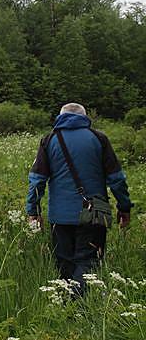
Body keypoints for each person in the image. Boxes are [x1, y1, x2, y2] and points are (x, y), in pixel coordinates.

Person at [26, 103, 133, 295]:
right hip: (95, 211)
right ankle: (80, 310)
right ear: (84, 118)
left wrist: (33, 211)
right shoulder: (99, 138)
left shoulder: (50, 139)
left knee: (64, 263)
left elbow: (37, 180)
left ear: (60, 117)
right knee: (89, 261)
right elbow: (116, 179)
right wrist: (124, 207)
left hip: (60, 214)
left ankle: (68, 308)